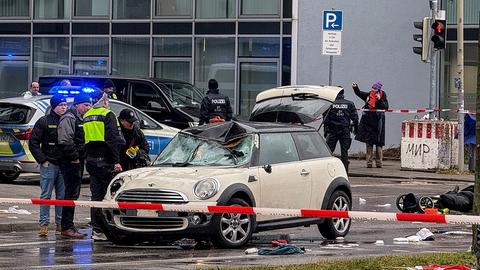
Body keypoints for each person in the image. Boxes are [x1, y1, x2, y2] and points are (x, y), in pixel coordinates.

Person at [83, 93, 125, 241]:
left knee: (95, 197)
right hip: (105, 160)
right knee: (109, 197)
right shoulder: (108, 114)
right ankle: (109, 229)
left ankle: (97, 229)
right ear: (104, 101)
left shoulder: (87, 115)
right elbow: (112, 139)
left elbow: (84, 139)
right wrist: (116, 161)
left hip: (91, 161)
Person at [28, 94, 67, 237]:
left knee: (62, 197)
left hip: (63, 165)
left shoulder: (67, 120)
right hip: (49, 164)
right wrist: (42, 160)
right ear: (54, 106)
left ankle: (60, 224)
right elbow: (33, 143)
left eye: (65, 105)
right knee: (46, 196)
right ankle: (44, 224)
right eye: (60, 105)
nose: (63, 107)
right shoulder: (44, 121)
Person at [57, 94, 92, 238]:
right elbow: (64, 140)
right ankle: (66, 227)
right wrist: (75, 157)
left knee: (73, 194)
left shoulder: (80, 118)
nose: (88, 107)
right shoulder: (69, 117)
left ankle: (68, 226)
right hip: (70, 162)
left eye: (89, 105)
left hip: (77, 160)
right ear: (77, 105)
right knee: (70, 194)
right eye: (85, 105)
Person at [352, 81, 389, 168]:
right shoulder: (369, 95)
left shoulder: (383, 95)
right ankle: (369, 162)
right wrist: (355, 87)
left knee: (379, 143)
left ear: (379, 89)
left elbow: (386, 107)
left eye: (375, 88)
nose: (373, 89)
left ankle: (379, 163)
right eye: (372, 88)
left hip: (379, 122)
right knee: (369, 142)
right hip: (369, 122)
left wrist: (379, 99)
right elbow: (359, 93)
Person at [323, 89, 359, 173]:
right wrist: (356, 130)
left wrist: (325, 130)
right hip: (345, 130)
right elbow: (355, 119)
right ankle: (345, 171)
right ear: (343, 93)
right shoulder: (349, 103)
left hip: (332, 130)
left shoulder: (330, 104)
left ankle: (326, 170)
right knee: (344, 152)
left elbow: (325, 119)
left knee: (328, 151)